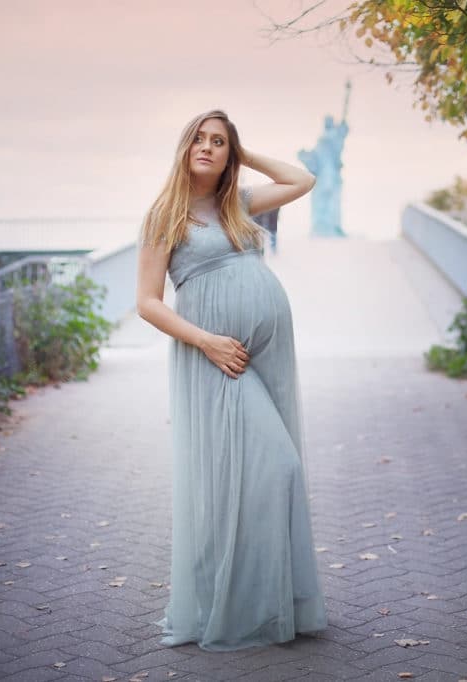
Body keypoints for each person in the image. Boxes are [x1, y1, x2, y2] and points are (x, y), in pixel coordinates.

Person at [136, 109, 327, 650]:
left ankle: (270, 604)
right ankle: (232, 606)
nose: (207, 146)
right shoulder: (165, 215)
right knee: (276, 467)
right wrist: (207, 342)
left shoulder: (238, 203)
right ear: (184, 147)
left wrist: (244, 156)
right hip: (217, 357)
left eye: (219, 141)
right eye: (199, 138)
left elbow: (302, 180)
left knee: (254, 477)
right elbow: (147, 302)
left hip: (264, 353)